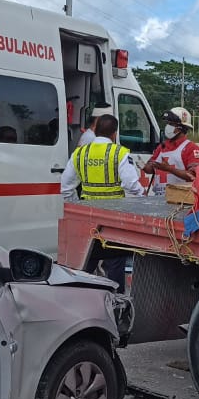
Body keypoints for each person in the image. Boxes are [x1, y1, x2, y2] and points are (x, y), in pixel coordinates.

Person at [60, 113, 140, 291]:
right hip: (114, 219)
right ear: (114, 133)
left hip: (88, 217)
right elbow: (132, 186)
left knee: (86, 262)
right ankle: (116, 305)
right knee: (115, 264)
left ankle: (81, 300)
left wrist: (78, 206)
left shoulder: (80, 153)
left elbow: (65, 187)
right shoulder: (119, 153)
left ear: (95, 130)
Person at [143, 107, 199, 195]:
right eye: (167, 123)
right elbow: (151, 169)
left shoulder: (192, 148)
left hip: (180, 199)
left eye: (171, 124)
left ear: (181, 128)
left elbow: (193, 176)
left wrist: (169, 169)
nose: (168, 127)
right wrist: (143, 165)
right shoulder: (162, 147)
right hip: (158, 199)